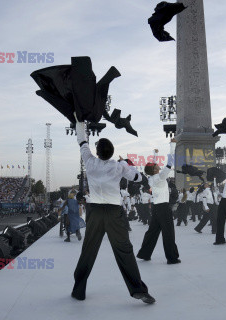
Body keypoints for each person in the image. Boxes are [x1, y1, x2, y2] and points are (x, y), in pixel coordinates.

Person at [71, 119, 154, 304]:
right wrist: (127, 164)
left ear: (98, 152)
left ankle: (79, 289)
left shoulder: (89, 162)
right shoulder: (119, 167)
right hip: (114, 211)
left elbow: (82, 142)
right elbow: (138, 177)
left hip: (95, 211)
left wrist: (79, 122)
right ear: (112, 152)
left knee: (88, 250)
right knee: (124, 250)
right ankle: (137, 289)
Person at [137, 140, 181, 264]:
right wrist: (173, 146)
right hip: (163, 208)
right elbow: (170, 162)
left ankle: (145, 253)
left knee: (152, 232)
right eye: (156, 165)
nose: (158, 165)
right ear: (155, 169)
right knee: (168, 233)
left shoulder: (152, 178)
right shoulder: (160, 177)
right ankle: (172, 258)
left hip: (157, 208)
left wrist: (155, 154)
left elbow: (153, 165)